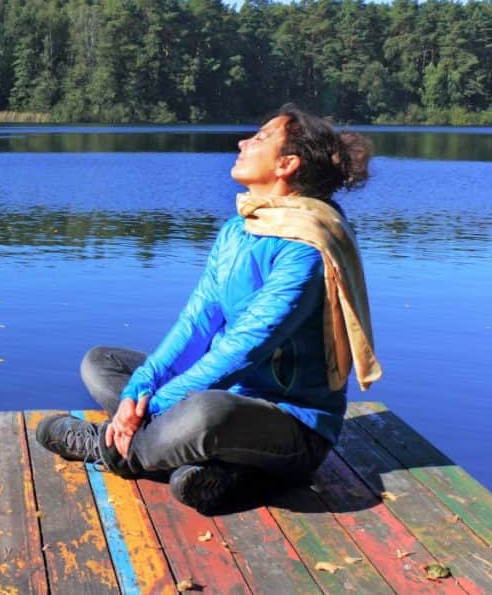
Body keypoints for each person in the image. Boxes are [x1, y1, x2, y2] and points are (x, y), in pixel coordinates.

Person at [36, 104, 383, 514]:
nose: (243, 142)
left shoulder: (308, 247)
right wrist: (140, 390)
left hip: (291, 423)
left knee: (205, 412)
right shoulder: (239, 228)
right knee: (101, 362)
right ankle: (208, 468)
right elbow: (197, 322)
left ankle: (107, 447)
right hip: (225, 392)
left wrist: (147, 410)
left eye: (259, 138)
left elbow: (244, 348)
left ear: (287, 164)